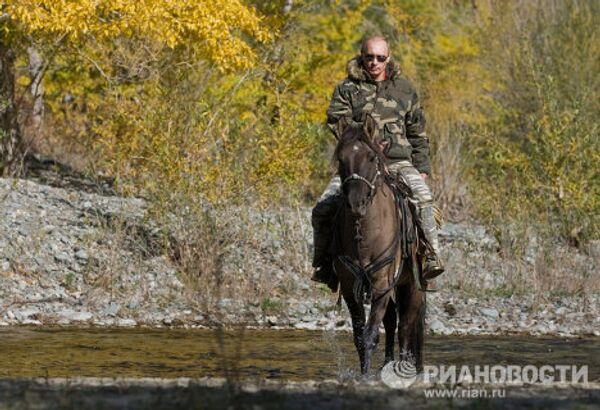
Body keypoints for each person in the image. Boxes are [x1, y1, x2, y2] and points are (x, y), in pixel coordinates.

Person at [311, 35, 444, 291]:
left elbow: (418, 132)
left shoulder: (404, 89)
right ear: (361, 56)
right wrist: (366, 143)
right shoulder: (346, 89)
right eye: (369, 57)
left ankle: (429, 258)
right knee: (322, 208)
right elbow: (336, 122)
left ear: (388, 58)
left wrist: (423, 167)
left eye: (380, 57)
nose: (374, 62)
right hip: (359, 165)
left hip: (398, 162)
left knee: (424, 200)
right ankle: (324, 263)